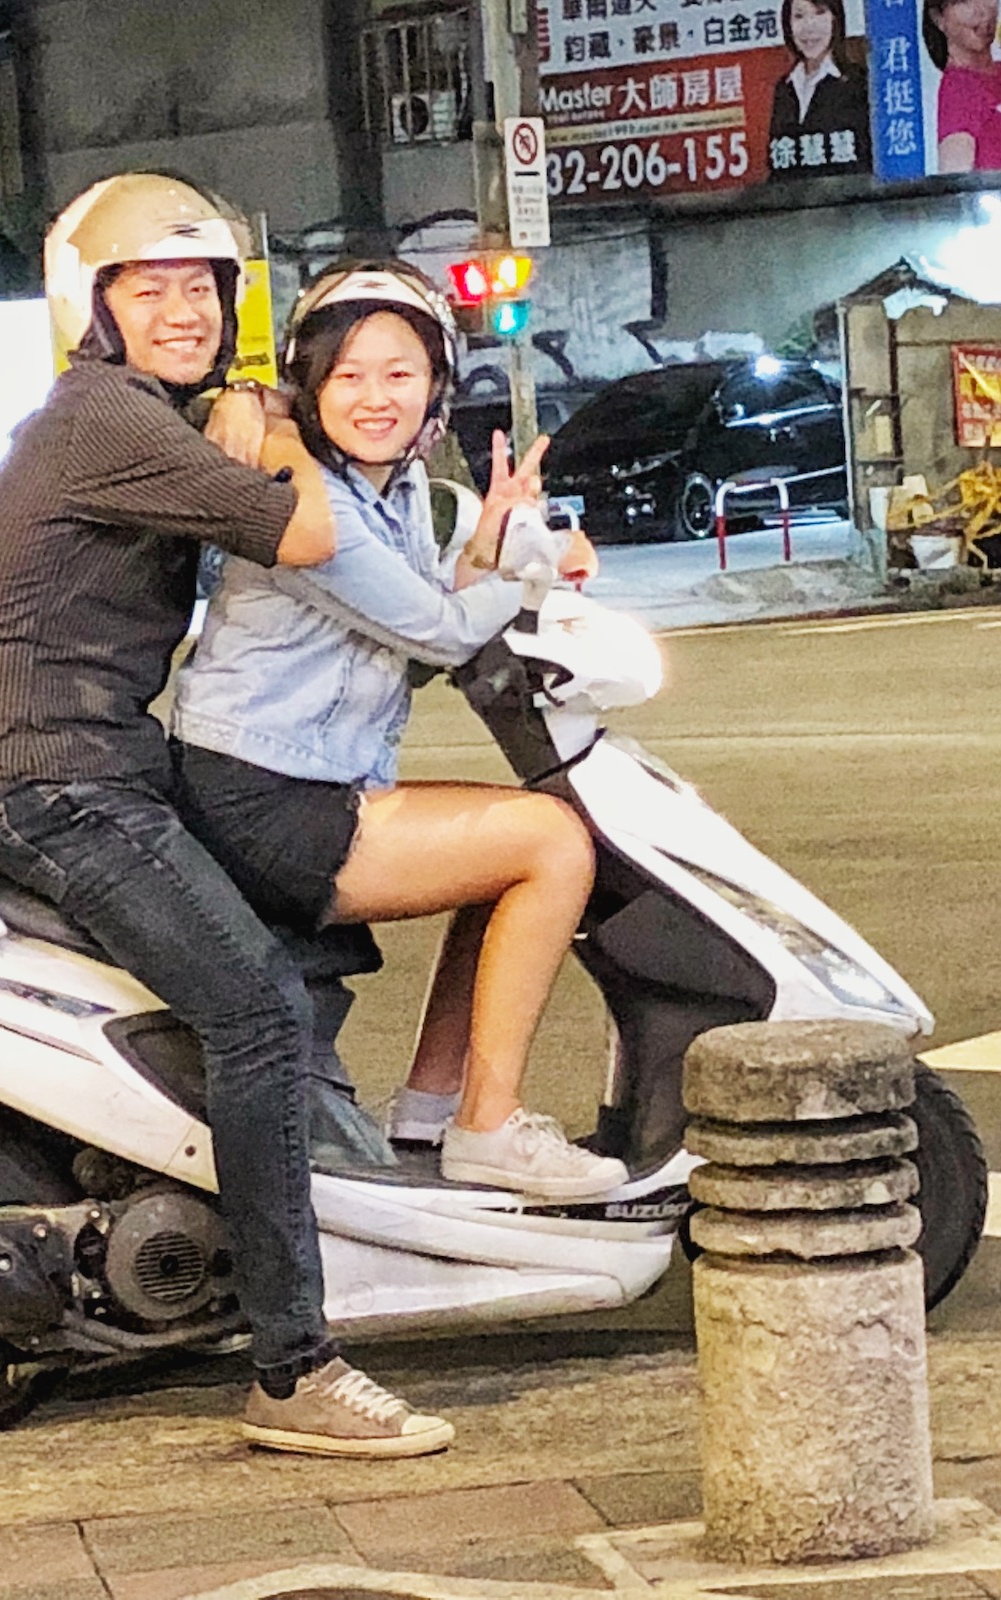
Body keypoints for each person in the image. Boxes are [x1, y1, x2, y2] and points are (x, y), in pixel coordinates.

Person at [0, 174, 453, 1460]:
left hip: (102, 757)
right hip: (48, 778)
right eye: (150, 288)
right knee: (256, 1010)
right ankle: (293, 1364)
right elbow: (309, 534)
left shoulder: (134, 417)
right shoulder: (108, 419)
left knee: (304, 928)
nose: (185, 311)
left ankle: (294, 1201)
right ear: (93, 307)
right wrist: (277, 422)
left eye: (204, 289)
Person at [171, 260, 628, 1202]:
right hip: (262, 797)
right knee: (551, 842)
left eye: (399, 374)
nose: (374, 397)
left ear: (435, 386)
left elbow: (419, 619)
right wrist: (541, 573)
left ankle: (430, 1108)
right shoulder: (312, 499)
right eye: (347, 375)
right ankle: (489, 1128)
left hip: (310, 783)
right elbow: (439, 632)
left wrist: (488, 539)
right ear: (310, 383)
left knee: (504, 852)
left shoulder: (400, 485)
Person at [766, 0, 873, 178]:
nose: (809, 26)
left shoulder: (858, 82)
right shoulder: (785, 87)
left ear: (835, 20)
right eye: (799, 16)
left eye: (819, 13)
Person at [923, 0, 1001, 172]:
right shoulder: (958, 89)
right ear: (938, 18)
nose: (982, 10)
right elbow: (956, 178)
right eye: (965, 2)